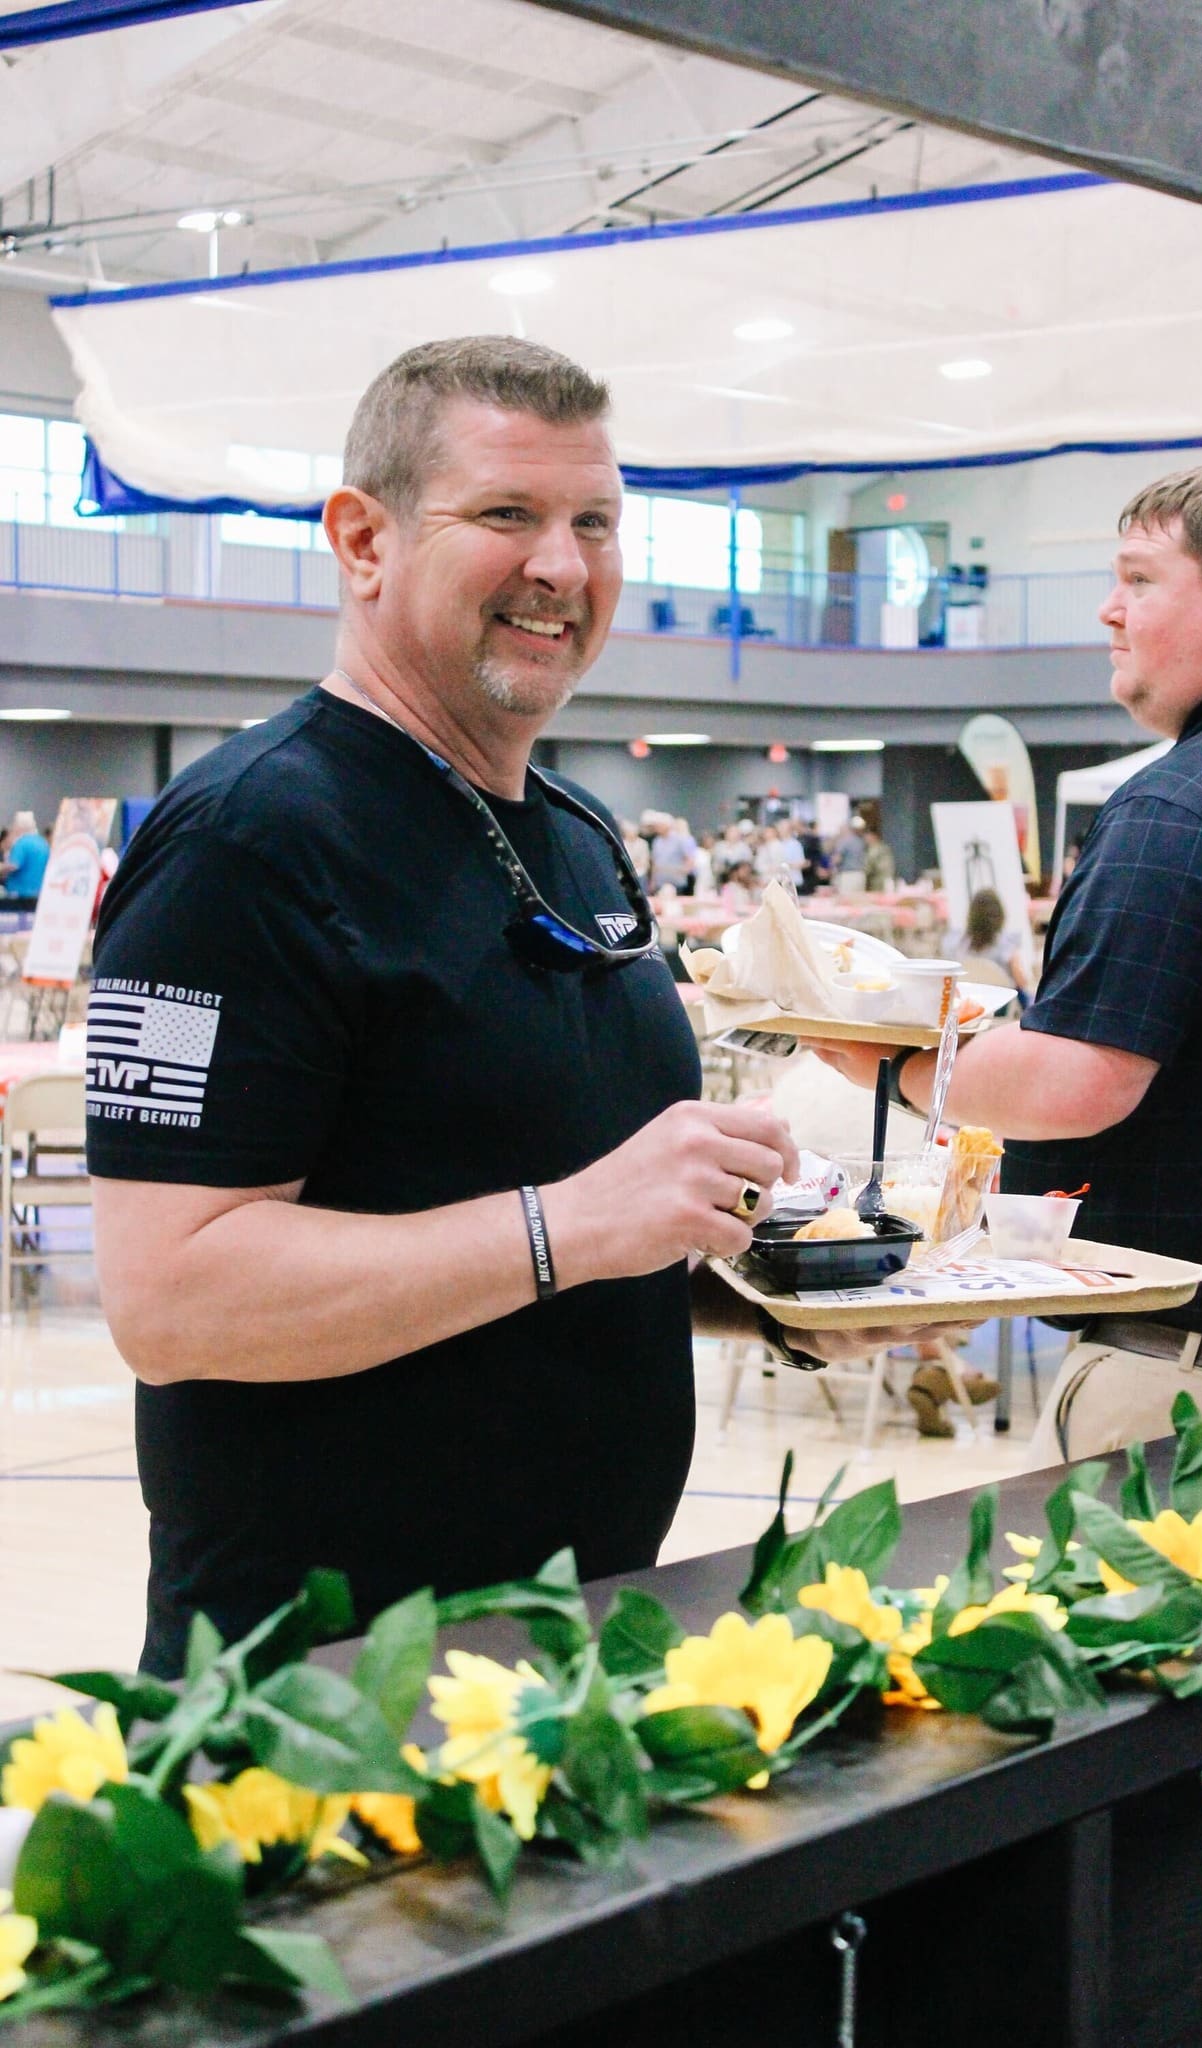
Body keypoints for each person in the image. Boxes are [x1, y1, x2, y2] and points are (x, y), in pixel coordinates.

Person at [87, 335, 804, 1675]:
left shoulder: (578, 836)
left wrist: (786, 1281)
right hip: (329, 1687)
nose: (564, 567)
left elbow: (559, 1224)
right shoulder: (240, 848)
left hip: (570, 1646)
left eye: (595, 521)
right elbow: (169, 1294)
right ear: (363, 541)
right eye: (507, 516)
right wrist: (574, 1225)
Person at [813, 462, 1202, 1464]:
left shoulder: (1186, 805)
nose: (1110, 611)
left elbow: (1078, 1079)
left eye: (1141, 579)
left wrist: (888, 1057)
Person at [1, 812, 49, 906]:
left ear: (19, 826)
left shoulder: (22, 843)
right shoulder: (43, 843)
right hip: (39, 893)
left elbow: (14, 865)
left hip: (20, 894)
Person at [650, 815, 697, 894]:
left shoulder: (680, 839)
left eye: (660, 825)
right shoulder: (657, 841)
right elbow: (654, 862)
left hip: (677, 882)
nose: (657, 827)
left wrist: (684, 870)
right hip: (660, 882)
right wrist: (652, 880)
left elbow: (690, 858)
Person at [861, 825, 896, 894]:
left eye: (867, 836)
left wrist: (861, 871)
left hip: (879, 881)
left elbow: (868, 866)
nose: (865, 839)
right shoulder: (884, 847)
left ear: (873, 836)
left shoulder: (874, 848)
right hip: (889, 878)